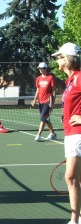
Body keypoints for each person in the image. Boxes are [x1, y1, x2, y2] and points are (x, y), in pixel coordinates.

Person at [52, 42, 81, 224]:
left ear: (68, 59)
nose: (57, 60)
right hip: (70, 134)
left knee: (69, 177)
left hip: (78, 133)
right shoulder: (70, 81)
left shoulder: (79, 78)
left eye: (60, 57)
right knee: (76, 178)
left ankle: (74, 220)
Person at [31, 62, 57, 141]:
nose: (40, 69)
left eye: (41, 68)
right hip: (40, 101)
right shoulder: (38, 78)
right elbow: (38, 90)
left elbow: (54, 90)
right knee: (46, 119)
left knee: (43, 118)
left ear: (45, 69)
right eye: (39, 68)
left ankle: (38, 135)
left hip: (47, 101)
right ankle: (53, 134)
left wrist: (53, 102)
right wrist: (34, 100)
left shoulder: (50, 77)